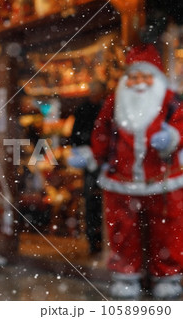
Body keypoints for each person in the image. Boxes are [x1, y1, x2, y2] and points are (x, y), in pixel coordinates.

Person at [68, 44, 183, 300]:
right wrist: (91, 155)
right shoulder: (114, 102)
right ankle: (126, 275)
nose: (139, 83)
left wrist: (174, 136)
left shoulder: (170, 100)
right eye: (134, 76)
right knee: (123, 230)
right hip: (121, 179)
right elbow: (102, 133)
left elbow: (181, 123)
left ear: (157, 78)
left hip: (163, 180)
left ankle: (167, 275)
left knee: (167, 230)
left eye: (145, 76)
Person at [68, 80, 106, 254]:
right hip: (92, 161)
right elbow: (75, 137)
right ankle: (94, 239)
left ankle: (100, 238)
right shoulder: (85, 110)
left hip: (103, 161)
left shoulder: (105, 109)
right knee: (92, 201)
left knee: (99, 201)